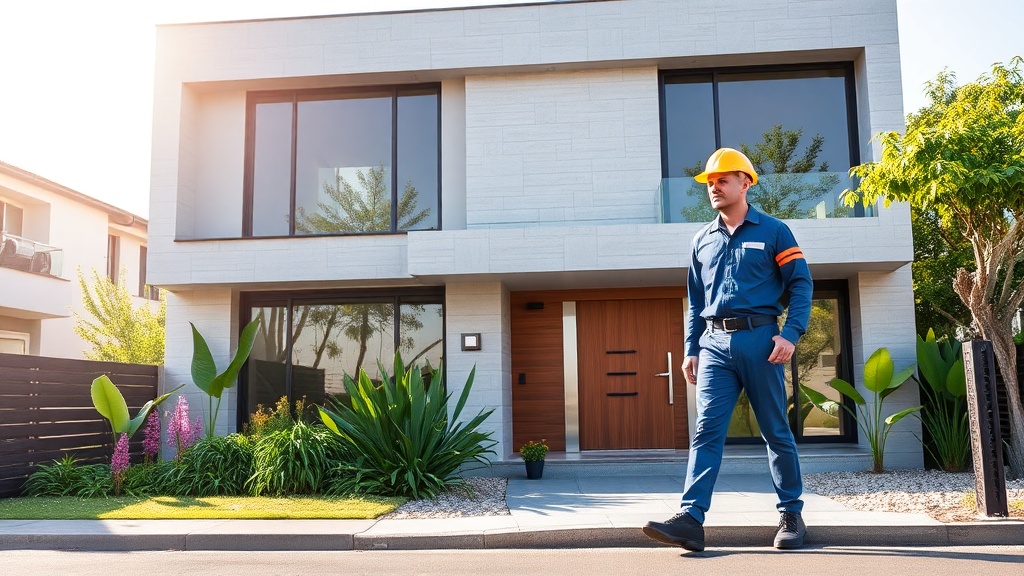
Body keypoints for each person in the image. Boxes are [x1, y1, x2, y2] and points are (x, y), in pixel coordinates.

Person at [643, 147, 813, 551]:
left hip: (762, 341)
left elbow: (801, 285)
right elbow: (696, 303)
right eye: (710, 182)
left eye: (723, 180)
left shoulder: (774, 231)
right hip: (714, 345)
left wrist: (790, 334)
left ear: (745, 183)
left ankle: (791, 513)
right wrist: (691, 348)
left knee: (775, 431)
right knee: (705, 431)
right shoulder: (701, 240)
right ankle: (690, 519)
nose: (714, 188)